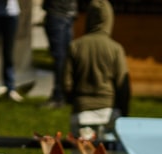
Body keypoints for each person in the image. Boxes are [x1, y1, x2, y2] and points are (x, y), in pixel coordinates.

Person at [63, 0, 130, 140]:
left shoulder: (75, 46)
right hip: (109, 112)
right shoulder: (115, 49)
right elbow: (122, 85)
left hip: (82, 112)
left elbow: (66, 83)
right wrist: (124, 110)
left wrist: (75, 100)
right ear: (109, 20)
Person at [42, 0, 78, 110]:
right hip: (68, 12)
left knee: (60, 58)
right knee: (65, 57)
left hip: (58, 13)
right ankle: (65, 94)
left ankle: (59, 96)